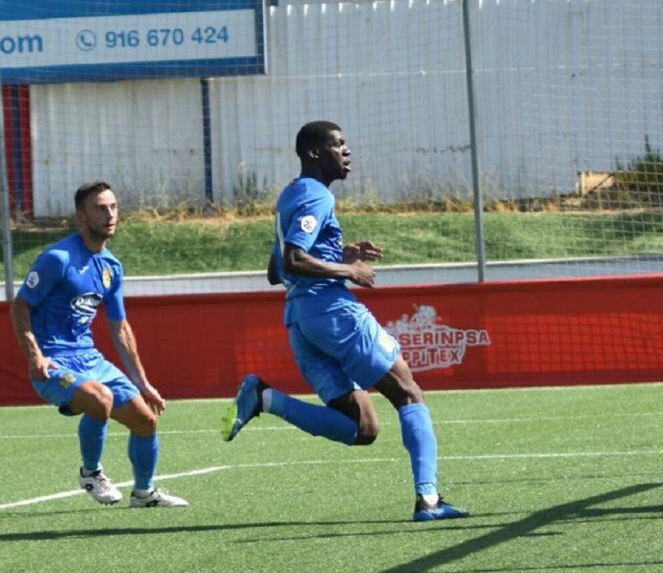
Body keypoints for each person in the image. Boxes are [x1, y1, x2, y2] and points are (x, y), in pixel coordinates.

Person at [222, 120, 469, 522]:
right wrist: (349, 271)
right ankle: (429, 501)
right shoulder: (316, 197)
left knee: (363, 428)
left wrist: (343, 251)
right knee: (408, 393)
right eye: (338, 145)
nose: (347, 151)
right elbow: (293, 260)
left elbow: (275, 270)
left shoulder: (291, 195)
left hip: (301, 321)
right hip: (334, 314)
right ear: (315, 153)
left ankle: (265, 398)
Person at [9, 182, 188, 507]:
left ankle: (144, 493)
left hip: (90, 359)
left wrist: (142, 382)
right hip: (54, 364)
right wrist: (35, 356)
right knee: (99, 399)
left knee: (146, 420)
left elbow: (120, 328)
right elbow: (20, 306)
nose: (110, 215)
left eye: (114, 207)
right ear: (81, 216)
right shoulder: (57, 258)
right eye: (100, 208)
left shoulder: (111, 267)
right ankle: (91, 474)